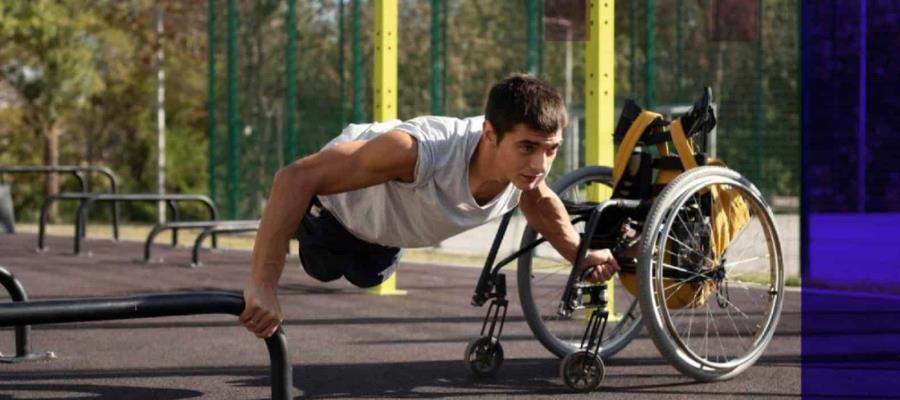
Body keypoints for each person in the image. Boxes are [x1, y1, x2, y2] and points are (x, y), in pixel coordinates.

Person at [240, 74, 620, 338]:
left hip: (385, 235)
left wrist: (579, 254)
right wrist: (264, 284)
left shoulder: (523, 176)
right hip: (334, 216)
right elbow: (292, 178)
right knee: (323, 268)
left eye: (551, 150)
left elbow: (541, 204)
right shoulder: (418, 152)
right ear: (490, 134)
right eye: (527, 148)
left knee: (371, 275)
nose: (540, 165)